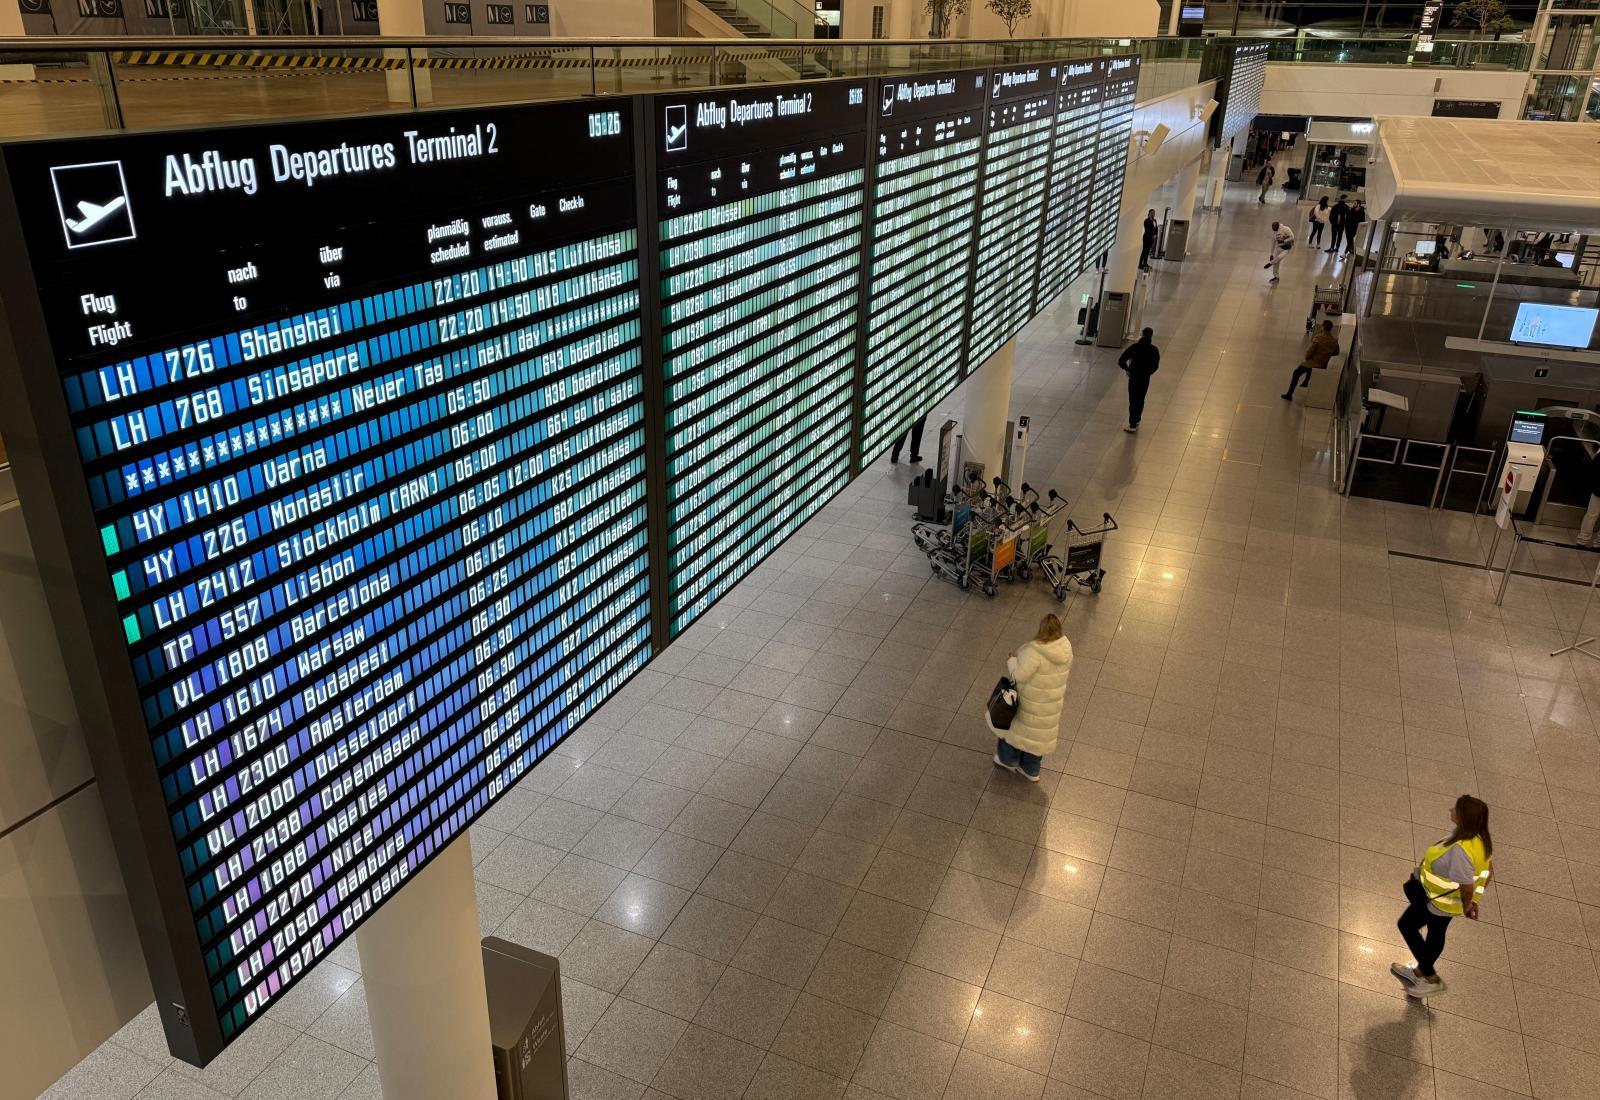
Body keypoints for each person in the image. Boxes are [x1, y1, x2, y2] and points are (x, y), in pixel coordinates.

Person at [1391, 795, 1493, 998]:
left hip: (1438, 901)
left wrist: (1468, 903)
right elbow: (1488, 870)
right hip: (1445, 902)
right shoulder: (1478, 839)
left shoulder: (1461, 851)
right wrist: (1475, 901)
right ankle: (1419, 973)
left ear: (1463, 818)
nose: (1450, 810)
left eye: (1455, 809)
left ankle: (1431, 979)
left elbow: (1466, 886)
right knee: (1436, 934)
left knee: (1407, 926)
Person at [990, 613, 1073, 782]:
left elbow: (1019, 676)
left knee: (1013, 731)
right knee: (1038, 740)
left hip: (1030, 704)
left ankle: (1007, 760)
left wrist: (1012, 661)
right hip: (1050, 706)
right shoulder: (1065, 649)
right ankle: (1031, 770)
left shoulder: (1034, 652)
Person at [1282, 320, 1340, 400]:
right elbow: (1336, 352)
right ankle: (1306, 381)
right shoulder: (1334, 340)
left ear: (1323, 327)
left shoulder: (1318, 338)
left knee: (1296, 373)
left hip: (1313, 363)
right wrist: (1326, 354)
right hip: (1323, 364)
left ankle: (1289, 394)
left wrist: (1308, 357)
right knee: (1310, 367)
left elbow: (1309, 354)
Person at [1117, 327, 1159, 433]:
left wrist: (1127, 369)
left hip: (1134, 376)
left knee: (1133, 399)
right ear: (1151, 336)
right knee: (1141, 398)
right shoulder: (1154, 350)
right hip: (1145, 378)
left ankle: (1132, 424)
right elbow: (1155, 366)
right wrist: (1148, 372)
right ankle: (1137, 419)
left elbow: (1121, 360)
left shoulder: (1135, 347)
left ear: (1142, 334)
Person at [1575, 447, 1600, 546]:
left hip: (1598, 489)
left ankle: (1582, 540)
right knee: (1591, 515)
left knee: (1591, 515)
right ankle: (1598, 543)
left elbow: (1594, 468)